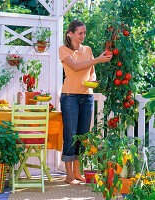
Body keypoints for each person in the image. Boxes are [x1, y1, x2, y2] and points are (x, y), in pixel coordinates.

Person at [59, 20, 112, 185]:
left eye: (84, 33)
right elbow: (75, 67)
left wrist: (92, 80)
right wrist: (97, 60)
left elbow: (91, 72)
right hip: (70, 97)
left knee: (83, 136)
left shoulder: (88, 49)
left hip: (87, 96)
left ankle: (77, 172)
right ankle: (68, 175)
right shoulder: (64, 50)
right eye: (80, 33)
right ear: (71, 33)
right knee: (70, 135)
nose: (83, 36)